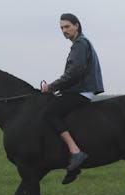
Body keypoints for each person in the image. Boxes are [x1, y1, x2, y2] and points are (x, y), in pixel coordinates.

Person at [41, 13, 104, 184]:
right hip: (81, 89)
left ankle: (76, 151)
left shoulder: (80, 45)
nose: (64, 30)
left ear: (77, 25)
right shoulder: (79, 44)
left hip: (83, 90)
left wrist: (51, 87)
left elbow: (73, 74)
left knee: (50, 114)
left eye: (67, 26)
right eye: (61, 28)